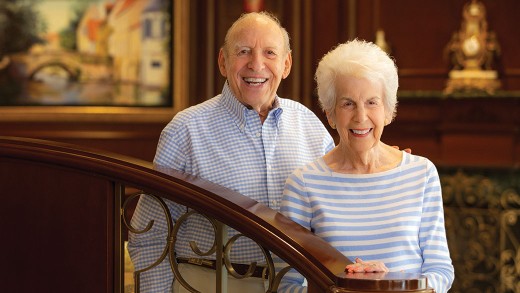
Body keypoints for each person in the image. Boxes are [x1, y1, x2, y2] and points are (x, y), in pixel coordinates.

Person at [127, 11, 335, 292]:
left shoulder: (310, 126)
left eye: (270, 53)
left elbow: (335, 214)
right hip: (210, 284)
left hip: (296, 286)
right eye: (244, 51)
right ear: (223, 62)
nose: (256, 64)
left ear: (286, 64)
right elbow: (150, 236)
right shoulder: (185, 130)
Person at [277, 39, 454, 293]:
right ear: (330, 113)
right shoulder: (303, 183)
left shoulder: (422, 173)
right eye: (348, 103)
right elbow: (287, 285)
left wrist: (392, 284)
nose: (361, 117)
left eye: (372, 102)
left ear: (388, 112)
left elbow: (441, 272)